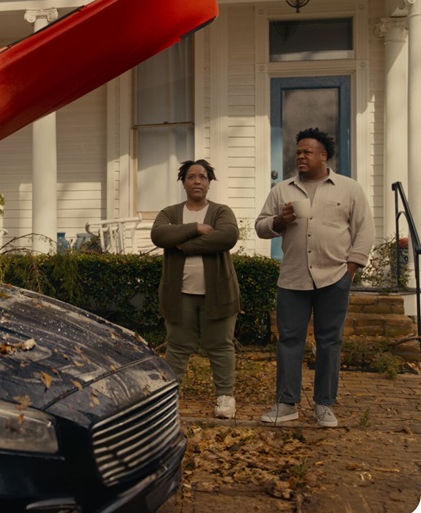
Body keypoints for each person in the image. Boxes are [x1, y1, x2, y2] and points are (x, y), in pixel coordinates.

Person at [255, 128, 375, 427]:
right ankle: (286, 403)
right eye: (298, 152)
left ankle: (324, 405)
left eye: (307, 151)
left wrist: (351, 268)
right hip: (292, 278)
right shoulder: (282, 190)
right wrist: (279, 221)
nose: (300, 156)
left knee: (329, 342)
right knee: (289, 341)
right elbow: (260, 227)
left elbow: (364, 230)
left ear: (324, 155)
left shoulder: (349, 189)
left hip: (334, 276)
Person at [151, 159, 241, 419]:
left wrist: (185, 244)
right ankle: (169, 397)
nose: (197, 181)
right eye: (191, 177)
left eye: (202, 176)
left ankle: (225, 397)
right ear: (184, 182)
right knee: (178, 347)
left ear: (209, 182)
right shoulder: (170, 212)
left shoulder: (221, 211)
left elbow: (227, 237)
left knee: (220, 346)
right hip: (179, 294)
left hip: (218, 294)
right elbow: (159, 235)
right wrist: (195, 228)